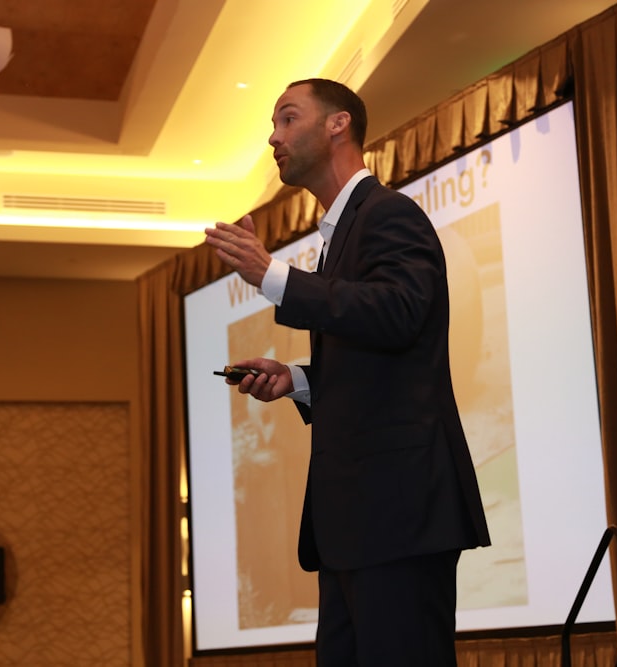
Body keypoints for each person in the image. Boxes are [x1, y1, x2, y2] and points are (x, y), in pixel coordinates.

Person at [204, 78, 491, 666]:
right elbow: (378, 356)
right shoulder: (338, 238)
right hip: (355, 527)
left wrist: (272, 276)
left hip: (400, 514)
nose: (273, 136)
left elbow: (400, 313)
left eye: (287, 118)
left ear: (338, 125)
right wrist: (298, 379)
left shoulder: (389, 213)